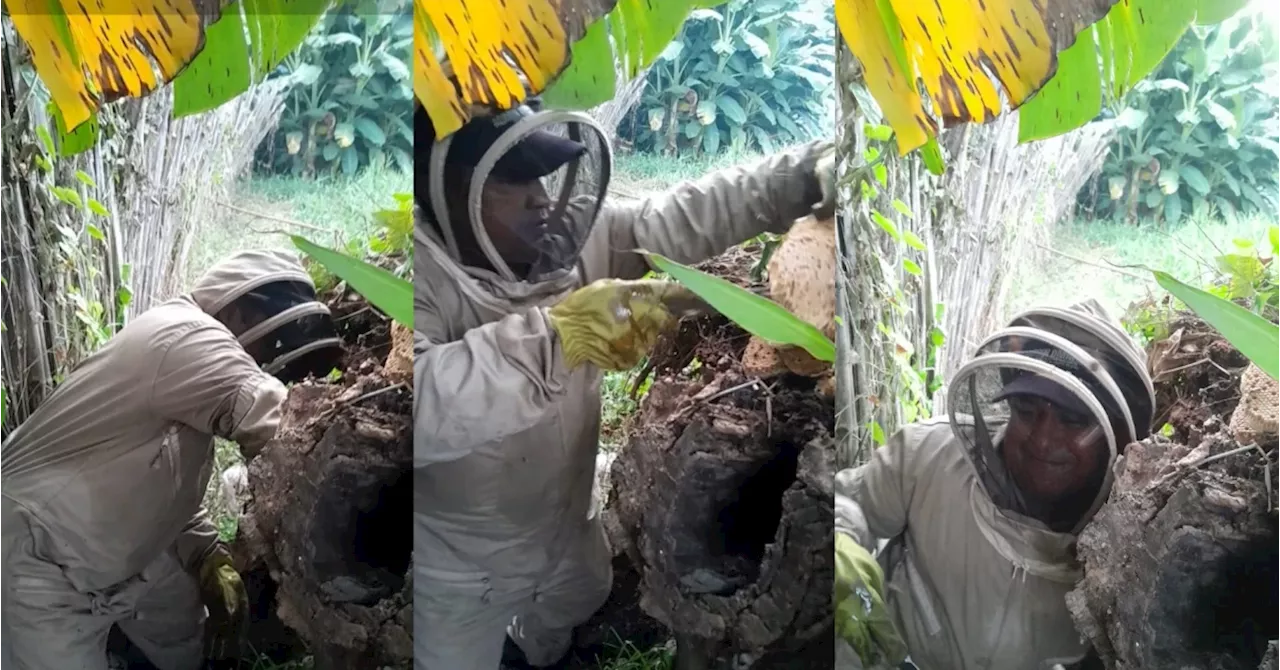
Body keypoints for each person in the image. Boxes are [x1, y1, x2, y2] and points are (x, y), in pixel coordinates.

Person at [416, 97, 835, 670]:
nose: (541, 197)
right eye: (513, 183)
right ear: (452, 191)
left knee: (578, 594)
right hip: (463, 559)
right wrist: (557, 339)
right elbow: (424, 406)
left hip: (564, 517)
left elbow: (680, 215)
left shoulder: (575, 236)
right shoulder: (420, 283)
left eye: (542, 175)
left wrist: (801, 175)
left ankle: (539, 650)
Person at [0, 249, 344, 669]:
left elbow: (166, 484)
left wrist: (207, 554)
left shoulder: (184, 372)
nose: (265, 359)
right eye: (267, 338)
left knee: (187, 638)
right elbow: (277, 422)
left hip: (110, 537)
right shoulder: (184, 334)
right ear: (237, 312)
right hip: (37, 554)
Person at [834, 300, 1156, 670]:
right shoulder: (928, 454)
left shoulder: (1130, 549)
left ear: (1113, 432)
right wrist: (842, 544)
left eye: (1072, 420)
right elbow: (846, 502)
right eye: (1027, 411)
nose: (1043, 440)